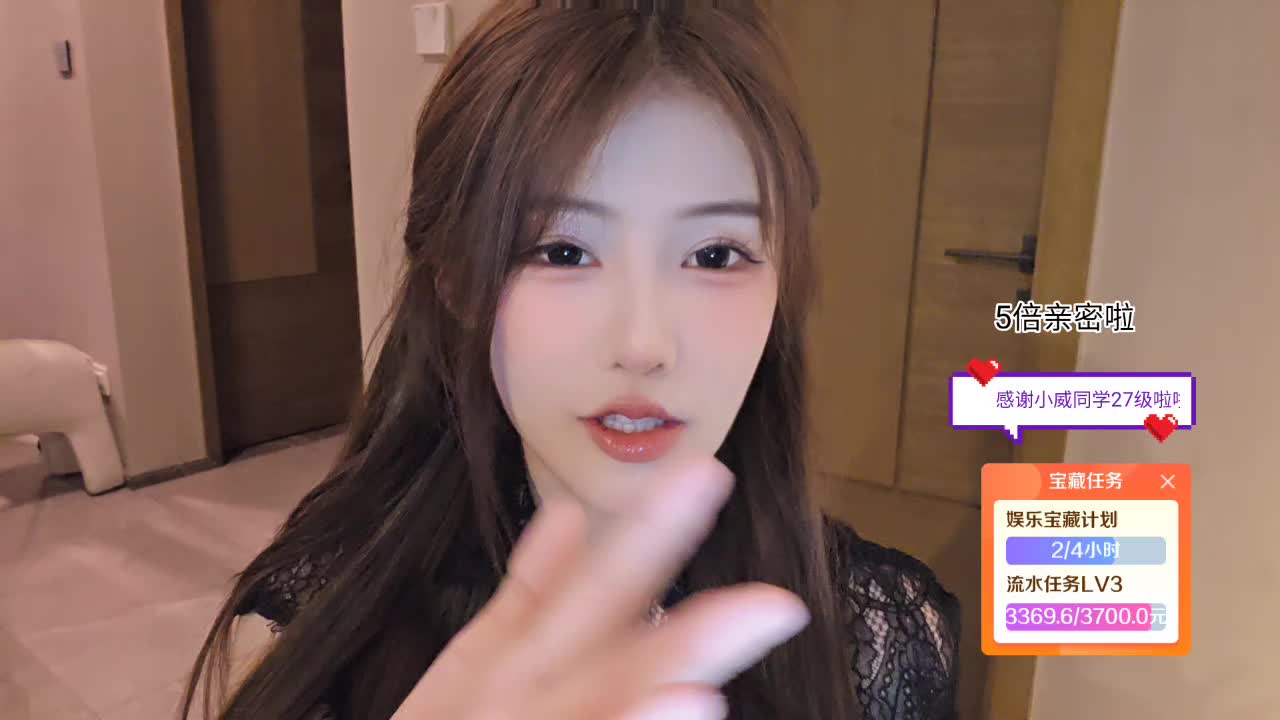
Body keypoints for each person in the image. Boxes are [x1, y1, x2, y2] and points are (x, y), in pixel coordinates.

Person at [181, 2, 961, 718]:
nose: (643, 345)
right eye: (563, 251)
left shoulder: (882, 633)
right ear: (456, 279)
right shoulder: (327, 623)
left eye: (715, 255)